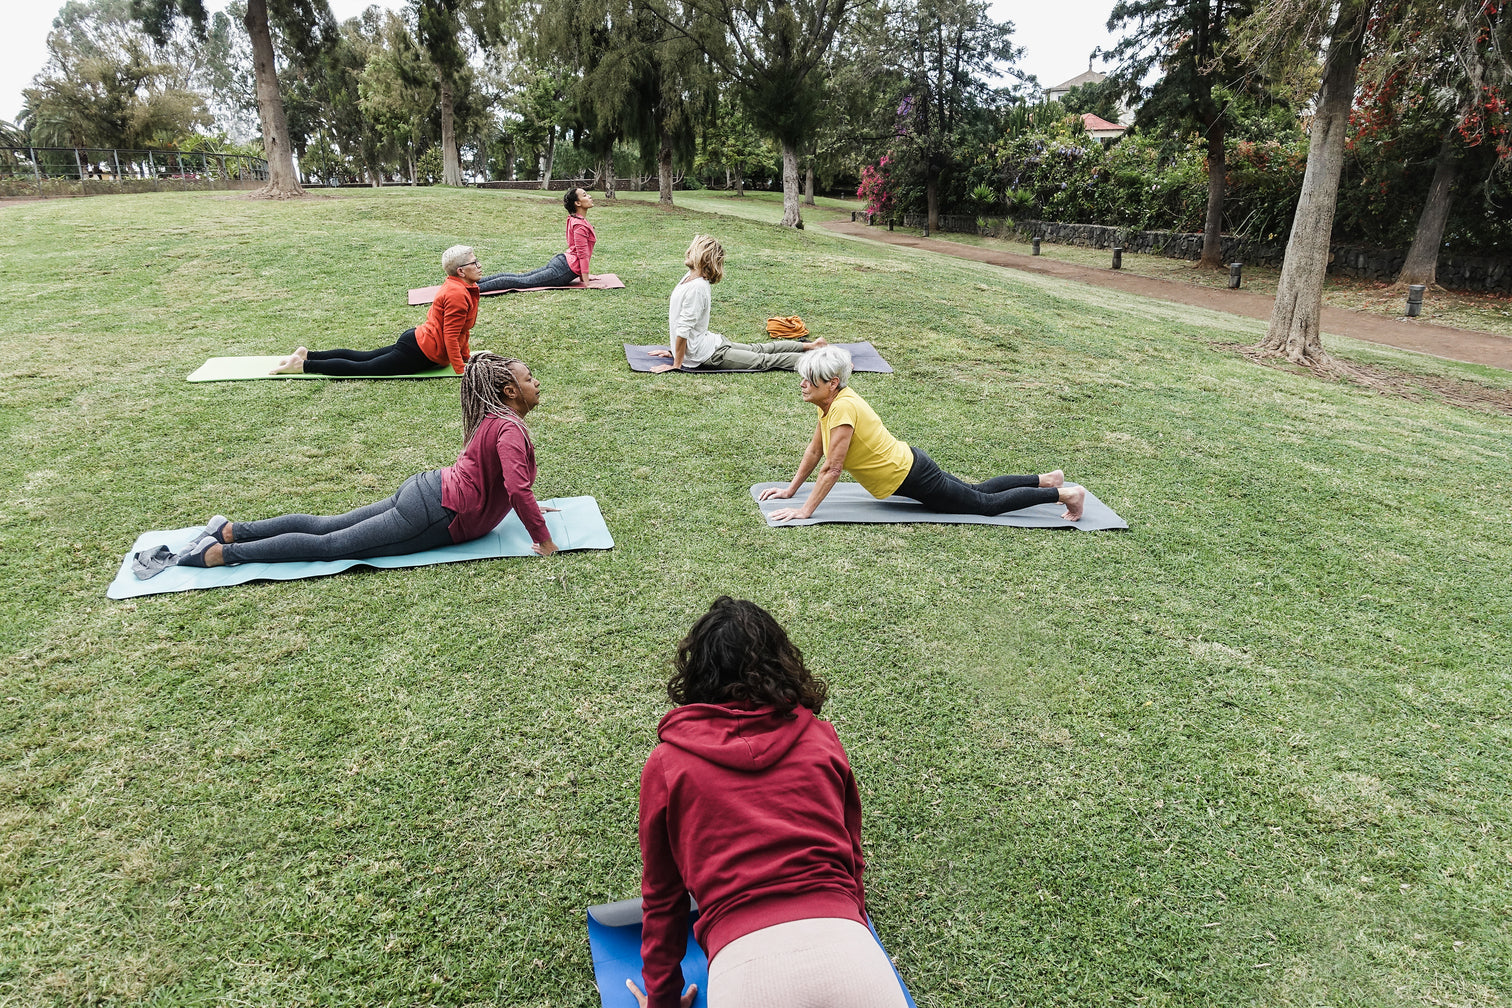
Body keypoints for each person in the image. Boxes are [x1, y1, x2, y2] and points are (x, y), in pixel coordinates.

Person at [628, 597, 907, 1008]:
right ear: (782, 663)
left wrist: (663, 1001)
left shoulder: (668, 764)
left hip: (745, 972)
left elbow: (663, 897)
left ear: (697, 673)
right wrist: (854, 926)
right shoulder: (821, 738)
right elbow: (852, 855)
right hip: (852, 955)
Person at [132, 354, 558, 578]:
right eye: (529, 378)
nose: (535, 382)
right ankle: (219, 553)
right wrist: (544, 539)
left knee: (325, 525)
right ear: (508, 391)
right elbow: (517, 490)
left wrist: (530, 507)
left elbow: (509, 486)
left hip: (427, 490)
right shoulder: (510, 430)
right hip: (438, 513)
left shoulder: (493, 417)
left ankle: (228, 529)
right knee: (332, 546)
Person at [759, 345, 1086, 522]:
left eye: (810, 378)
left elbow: (832, 467)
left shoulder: (843, 408)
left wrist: (805, 510)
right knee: (977, 490)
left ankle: (1066, 494)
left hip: (911, 475)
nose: (803, 384)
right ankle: (1046, 479)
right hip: (911, 463)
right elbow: (815, 452)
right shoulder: (828, 404)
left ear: (832, 383)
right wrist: (790, 491)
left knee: (984, 504)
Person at [272, 245, 481, 376]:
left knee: (365, 357)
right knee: (365, 368)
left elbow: (461, 332)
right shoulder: (457, 294)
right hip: (420, 350)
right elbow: (451, 335)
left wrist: (466, 357)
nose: (479, 265)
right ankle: (302, 365)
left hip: (418, 340)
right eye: (474, 262)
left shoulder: (462, 287)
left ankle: (307, 354)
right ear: (461, 271)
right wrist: (461, 370)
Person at [648, 235, 827, 374]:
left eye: (692, 250)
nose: (687, 252)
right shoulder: (688, 278)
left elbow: (684, 329)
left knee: (763, 360)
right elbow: (681, 324)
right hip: (711, 343)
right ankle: (812, 346)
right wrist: (674, 351)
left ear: (703, 257)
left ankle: (824, 364)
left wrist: (677, 364)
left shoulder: (697, 287)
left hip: (709, 354)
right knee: (760, 349)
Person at [477, 187, 597, 292]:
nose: (590, 196)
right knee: (523, 282)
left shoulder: (575, 219)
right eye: (585, 195)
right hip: (564, 269)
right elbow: (582, 254)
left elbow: (576, 248)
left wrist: (584, 276)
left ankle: (474, 283)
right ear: (578, 203)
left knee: (521, 278)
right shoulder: (580, 224)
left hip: (562, 261)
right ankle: (476, 287)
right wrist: (586, 283)